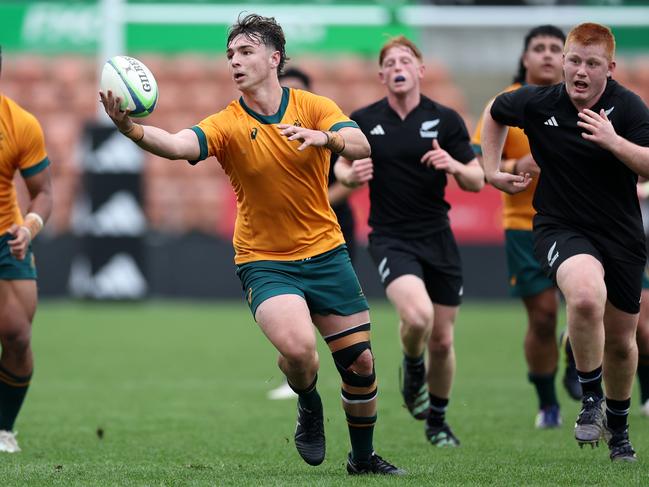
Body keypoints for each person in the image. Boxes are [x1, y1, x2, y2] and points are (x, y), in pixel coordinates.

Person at [99, 14, 404, 475]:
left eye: (245, 52)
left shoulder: (313, 106)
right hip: (265, 261)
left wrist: (323, 138)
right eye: (229, 55)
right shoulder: (228, 123)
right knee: (301, 352)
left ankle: (362, 461)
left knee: (360, 363)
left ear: (274, 57)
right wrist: (133, 130)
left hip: (326, 252)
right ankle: (308, 402)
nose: (235, 62)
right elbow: (181, 145)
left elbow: (361, 145)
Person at [481, 22, 649, 462]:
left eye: (592, 64)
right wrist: (490, 169)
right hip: (560, 227)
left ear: (609, 68)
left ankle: (619, 426)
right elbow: (496, 112)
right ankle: (589, 400)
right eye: (573, 60)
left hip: (622, 236)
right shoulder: (538, 102)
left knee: (621, 342)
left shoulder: (629, 108)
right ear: (563, 62)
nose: (579, 71)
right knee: (586, 297)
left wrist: (614, 142)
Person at [335, 36, 484, 447]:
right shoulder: (363, 119)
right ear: (382, 75)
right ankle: (412, 364)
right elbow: (342, 171)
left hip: (438, 236)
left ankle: (437, 421)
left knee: (443, 338)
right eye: (390, 62)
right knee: (418, 318)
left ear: (420, 70)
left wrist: (453, 164)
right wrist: (351, 176)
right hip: (390, 237)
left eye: (406, 59)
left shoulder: (446, 119)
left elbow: (476, 180)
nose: (398, 66)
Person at [472, 25, 582, 429]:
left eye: (557, 48)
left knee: (597, 306)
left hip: (582, 222)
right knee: (541, 317)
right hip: (524, 225)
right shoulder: (504, 106)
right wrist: (512, 167)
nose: (549, 55)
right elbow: (478, 161)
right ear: (525, 58)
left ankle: (577, 350)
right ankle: (547, 403)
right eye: (540, 48)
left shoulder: (587, 100)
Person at [267, 67, 358, 401]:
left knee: (330, 315)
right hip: (281, 241)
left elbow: (351, 174)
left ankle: (340, 369)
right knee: (295, 323)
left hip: (332, 228)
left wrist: (319, 199)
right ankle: (302, 369)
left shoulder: (323, 127)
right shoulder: (265, 132)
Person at [0, 46, 53, 453]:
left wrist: (29, 227)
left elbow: (43, 194)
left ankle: (3, 428)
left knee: (17, 337)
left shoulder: (20, 123)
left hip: (6, 238)